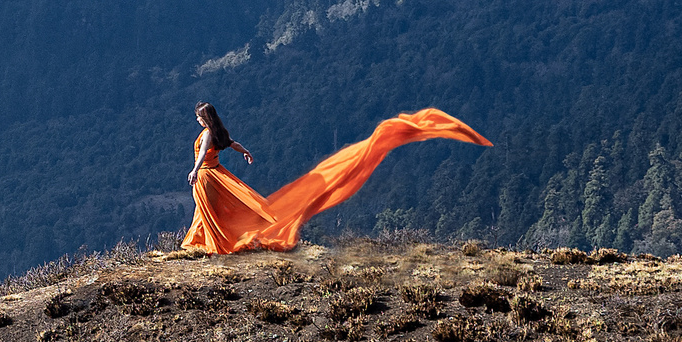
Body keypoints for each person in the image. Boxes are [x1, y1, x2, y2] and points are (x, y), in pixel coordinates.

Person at [184, 102, 491, 254]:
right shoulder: (216, 130)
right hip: (217, 174)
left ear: (204, 119)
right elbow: (232, 142)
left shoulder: (208, 133)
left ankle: (215, 244)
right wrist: (245, 152)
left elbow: (204, 153)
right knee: (209, 212)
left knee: (210, 211)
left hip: (210, 175)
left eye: (198, 118)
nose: (197, 121)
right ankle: (199, 241)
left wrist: (196, 169)